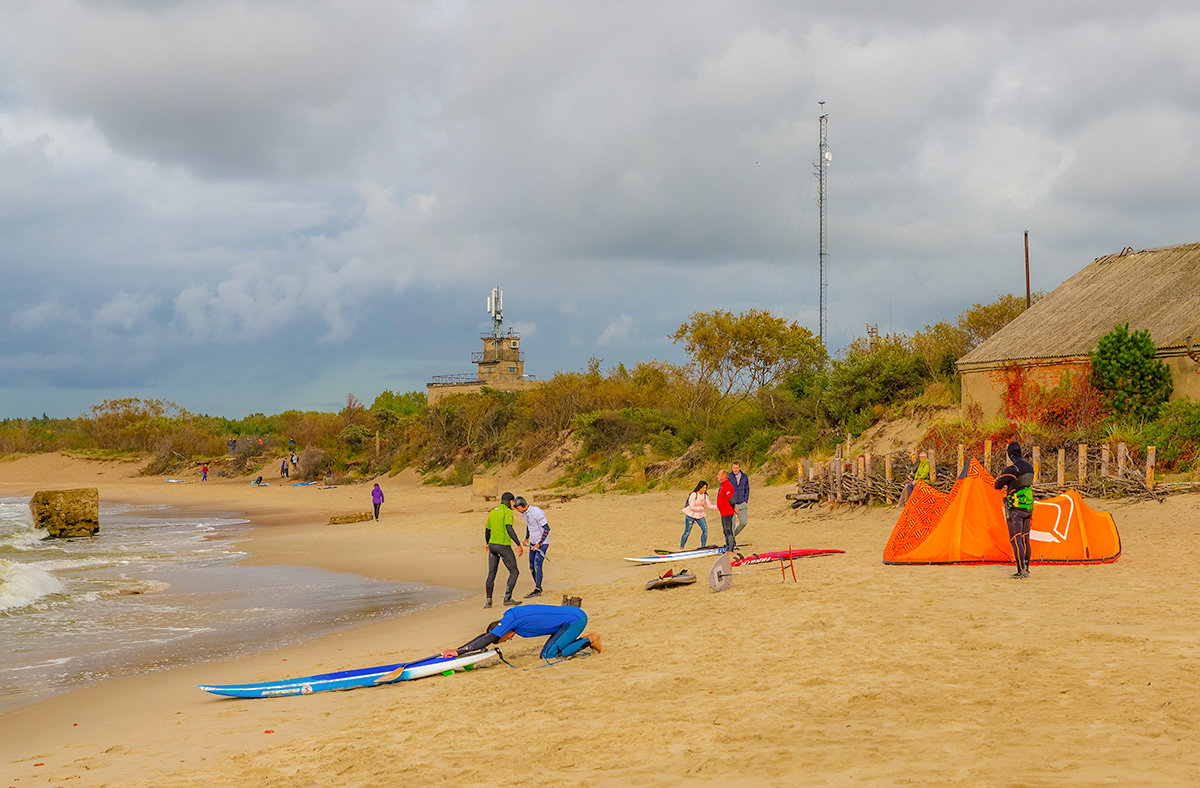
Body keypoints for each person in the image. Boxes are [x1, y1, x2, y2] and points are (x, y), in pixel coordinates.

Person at [441, 604, 601, 662]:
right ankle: (584, 641)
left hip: (574, 620)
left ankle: (590, 639)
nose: (508, 639)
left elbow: (489, 637)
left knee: (548, 656)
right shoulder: (513, 623)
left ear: (501, 630)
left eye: (504, 639)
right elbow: (486, 637)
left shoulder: (510, 618)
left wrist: (458, 651)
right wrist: (463, 649)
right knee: (545, 654)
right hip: (568, 620)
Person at [995, 441, 1035, 579]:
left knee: (1015, 539)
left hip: (1015, 508)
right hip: (1028, 507)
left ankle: (1020, 571)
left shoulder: (1012, 469)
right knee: (1025, 539)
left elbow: (998, 485)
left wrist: (1007, 484)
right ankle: (1027, 568)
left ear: (1010, 454)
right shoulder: (1030, 467)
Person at [484, 492, 524, 608]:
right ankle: (507, 598)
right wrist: (518, 544)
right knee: (514, 572)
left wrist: (487, 543)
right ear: (510, 501)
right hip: (503, 546)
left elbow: (487, 530)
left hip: (492, 545)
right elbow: (509, 528)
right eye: (513, 502)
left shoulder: (493, 511)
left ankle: (488, 602)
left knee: (491, 574)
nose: (513, 504)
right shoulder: (507, 512)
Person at [513, 497, 549, 598]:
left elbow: (547, 529)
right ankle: (538, 586)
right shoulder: (525, 513)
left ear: (524, 506)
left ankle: (537, 589)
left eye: (518, 508)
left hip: (542, 543)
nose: (518, 511)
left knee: (538, 564)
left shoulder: (536, 512)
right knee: (531, 566)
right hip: (532, 542)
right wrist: (526, 538)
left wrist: (539, 544)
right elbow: (529, 526)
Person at [680, 480, 716, 550]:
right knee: (687, 532)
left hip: (700, 515)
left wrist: (719, 507)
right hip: (691, 515)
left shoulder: (705, 496)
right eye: (703, 488)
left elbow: (709, 506)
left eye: (705, 488)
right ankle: (681, 547)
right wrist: (701, 508)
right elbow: (692, 506)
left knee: (705, 530)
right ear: (699, 487)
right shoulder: (694, 494)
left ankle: (703, 546)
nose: (704, 490)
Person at [716, 470, 737, 554]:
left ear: (723, 476)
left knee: (728, 530)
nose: (717, 476)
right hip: (723, 512)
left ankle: (730, 549)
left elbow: (731, 499)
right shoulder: (722, 485)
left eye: (719, 474)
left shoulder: (727, 485)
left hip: (727, 512)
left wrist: (734, 507)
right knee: (725, 530)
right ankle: (728, 547)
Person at [730, 461, 750, 536]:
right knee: (732, 524)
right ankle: (732, 541)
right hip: (732, 503)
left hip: (742, 502)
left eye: (736, 468)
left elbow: (747, 489)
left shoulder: (744, 476)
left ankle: (732, 536)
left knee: (743, 522)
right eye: (733, 468)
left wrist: (745, 500)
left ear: (739, 468)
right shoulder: (729, 476)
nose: (735, 470)